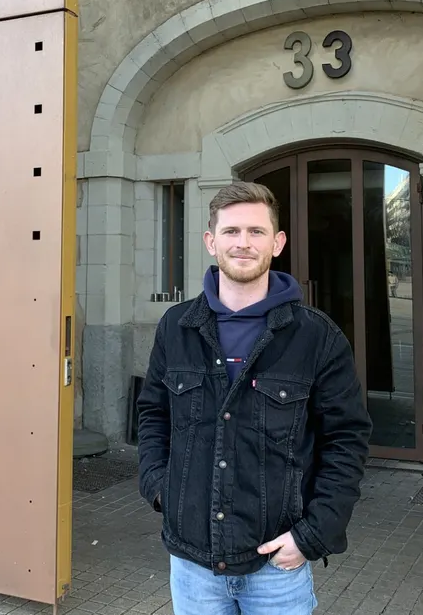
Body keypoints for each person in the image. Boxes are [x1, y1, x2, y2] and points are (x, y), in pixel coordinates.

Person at [137, 181, 371, 615]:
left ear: (277, 243)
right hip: (193, 567)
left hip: (276, 569)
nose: (243, 243)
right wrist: (159, 487)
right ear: (211, 242)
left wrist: (313, 535)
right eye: (231, 231)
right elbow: (153, 414)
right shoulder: (176, 327)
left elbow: (347, 440)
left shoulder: (316, 336)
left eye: (256, 232)